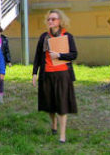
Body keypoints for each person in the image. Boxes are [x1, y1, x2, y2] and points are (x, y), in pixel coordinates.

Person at [32, 9, 78, 143]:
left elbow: (74, 55)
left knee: (62, 105)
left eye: (53, 19)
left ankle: (62, 136)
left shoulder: (67, 36)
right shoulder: (44, 37)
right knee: (49, 103)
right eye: (49, 19)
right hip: (47, 74)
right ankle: (53, 125)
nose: (50, 21)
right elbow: (37, 56)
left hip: (63, 75)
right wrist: (34, 73)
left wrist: (59, 55)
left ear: (60, 21)